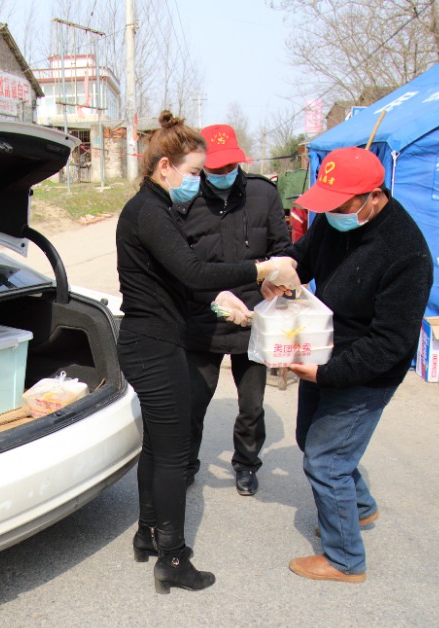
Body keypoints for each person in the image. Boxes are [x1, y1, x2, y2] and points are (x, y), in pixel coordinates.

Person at [116, 111, 300, 593]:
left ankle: (146, 534)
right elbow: (195, 271)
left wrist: (222, 301)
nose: (198, 182)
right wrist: (262, 269)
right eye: (194, 172)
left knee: (158, 447)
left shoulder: (155, 209)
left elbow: (181, 280)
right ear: (165, 168)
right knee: (175, 455)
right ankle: (172, 558)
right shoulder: (150, 213)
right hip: (154, 345)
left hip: (153, 338)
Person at [264, 146, 433, 583]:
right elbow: (305, 254)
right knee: (308, 437)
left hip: (367, 370)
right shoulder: (333, 218)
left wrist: (325, 373)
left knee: (326, 461)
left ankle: (345, 560)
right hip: (324, 347)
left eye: (341, 205)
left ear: (374, 197)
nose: (332, 212)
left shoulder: (405, 253)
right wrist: (286, 271)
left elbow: (392, 342)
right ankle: (358, 507)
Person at [171, 124, 291, 495]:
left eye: (228, 168)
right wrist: (212, 297)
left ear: (241, 160)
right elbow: (179, 264)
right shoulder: (185, 200)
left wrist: (276, 280)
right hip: (204, 316)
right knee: (191, 402)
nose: (222, 175)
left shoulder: (262, 194)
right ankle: (186, 463)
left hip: (254, 316)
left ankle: (246, 464)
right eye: (214, 168)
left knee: (252, 404)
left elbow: (283, 249)